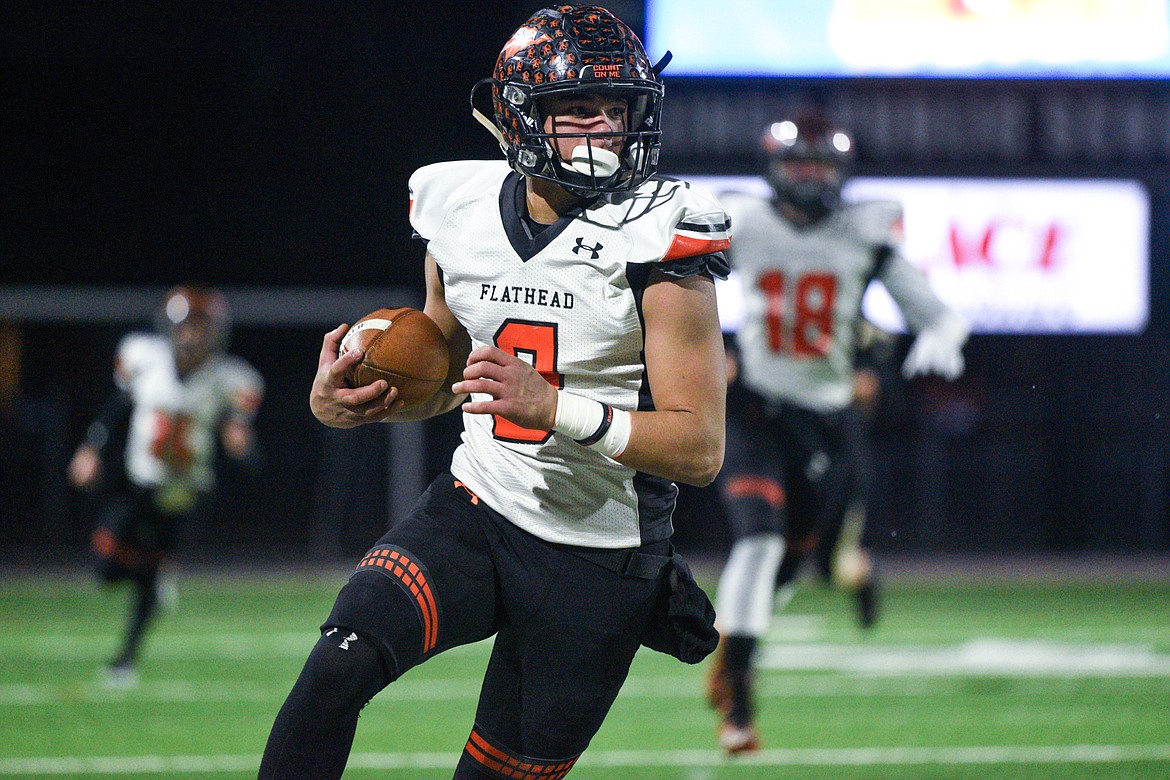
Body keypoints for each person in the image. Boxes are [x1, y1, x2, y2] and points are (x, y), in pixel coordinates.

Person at [258, 6, 728, 778]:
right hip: (478, 507)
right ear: (516, 114)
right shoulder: (457, 206)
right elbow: (448, 375)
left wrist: (556, 410)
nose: (603, 130)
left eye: (617, 110)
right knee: (338, 664)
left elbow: (700, 448)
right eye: (577, 109)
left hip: (598, 554)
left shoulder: (661, 236)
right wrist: (351, 398)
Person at [706, 111, 969, 754]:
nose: (809, 177)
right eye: (799, 165)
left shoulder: (862, 231)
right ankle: (738, 696)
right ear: (775, 168)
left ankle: (734, 655)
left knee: (794, 565)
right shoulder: (743, 219)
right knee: (759, 545)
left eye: (820, 165)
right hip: (758, 412)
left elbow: (935, 312)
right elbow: (675, 286)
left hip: (825, 423)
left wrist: (941, 332)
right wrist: (701, 351)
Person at [67, 284, 264, 686]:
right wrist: (91, 448)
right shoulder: (144, 358)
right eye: (185, 327)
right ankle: (153, 581)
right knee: (105, 567)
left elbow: (246, 448)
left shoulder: (231, 379)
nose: (192, 336)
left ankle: (124, 660)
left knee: (150, 574)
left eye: (200, 328)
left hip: (185, 491)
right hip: (139, 481)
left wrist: (241, 444)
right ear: (169, 328)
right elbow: (118, 407)